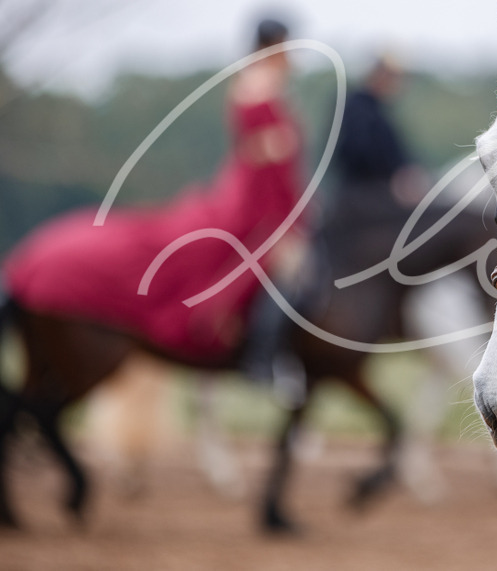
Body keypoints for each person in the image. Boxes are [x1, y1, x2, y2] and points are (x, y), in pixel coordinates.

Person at [3, 18, 305, 366]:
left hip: (257, 193)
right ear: (277, 45)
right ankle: (260, 355)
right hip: (257, 200)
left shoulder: (255, 82)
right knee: (270, 265)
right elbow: (270, 161)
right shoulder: (261, 86)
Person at [334, 55, 428, 211]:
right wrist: (397, 177)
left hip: (378, 194)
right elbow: (357, 152)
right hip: (367, 197)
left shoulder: (375, 109)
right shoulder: (358, 108)